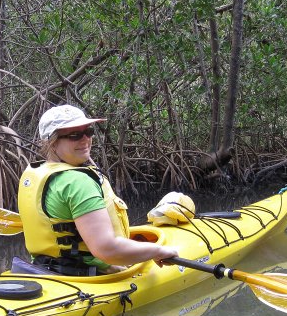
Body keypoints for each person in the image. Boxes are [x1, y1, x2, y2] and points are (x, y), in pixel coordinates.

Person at [17, 104, 180, 276]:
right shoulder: (77, 182)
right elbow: (106, 249)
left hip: (44, 270)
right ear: (52, 142)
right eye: (75, 135)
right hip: (88, 275)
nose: (85, 139)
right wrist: (158, 251)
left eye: (88, 131)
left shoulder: (36, 173)